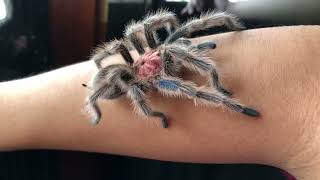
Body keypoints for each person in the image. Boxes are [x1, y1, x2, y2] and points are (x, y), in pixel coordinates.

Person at [0, 25, 319, 180]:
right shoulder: (136, 78)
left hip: (133, 71)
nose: (153, 57)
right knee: (189, 89)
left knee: (172, 36)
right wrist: (149, 113)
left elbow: (141, 34)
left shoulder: (156, 56)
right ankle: (228, 101)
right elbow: (116, 66)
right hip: (128, 81)